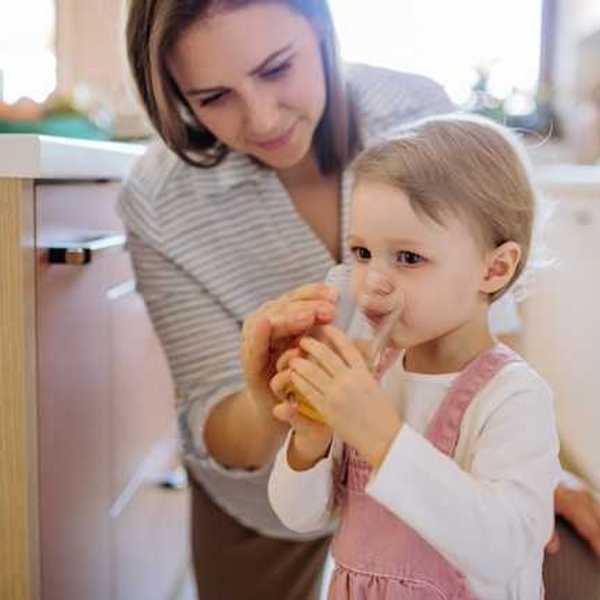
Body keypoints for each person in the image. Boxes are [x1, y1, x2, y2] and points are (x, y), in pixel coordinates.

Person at [119, 1, 599, 598]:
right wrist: (296, 423)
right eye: (213, 97)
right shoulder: (160, 199)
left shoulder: (416, 115)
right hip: (284, 509)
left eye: (276, 69)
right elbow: (299, 505)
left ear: (321, 30)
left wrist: (533, 468)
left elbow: (485, 330)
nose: (262, 117)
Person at [267, 115, 562, 599]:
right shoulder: (372, 374)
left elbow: (503, 548)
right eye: (362, 253)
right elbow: (299, 517)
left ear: (495, 268)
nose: (373, 281)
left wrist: (380, 436)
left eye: (407, 258)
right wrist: (311, 442)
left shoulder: (513, 397)